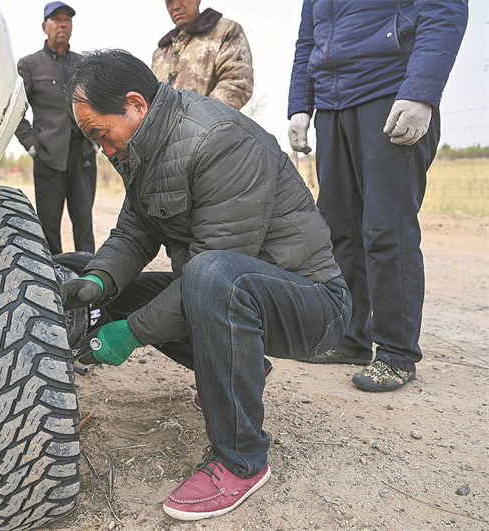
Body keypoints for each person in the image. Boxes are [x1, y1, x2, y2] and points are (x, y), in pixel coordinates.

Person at [61, 49, 351, 522]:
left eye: (100, 134)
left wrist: (129, 335)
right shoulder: (140, 149)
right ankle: (244, 369)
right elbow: (134, 234)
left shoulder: (220, 140)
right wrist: (97, 281)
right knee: (127, 293)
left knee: (208, 277)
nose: (104, 149)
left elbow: (214, 268)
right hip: (241, 291)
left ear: (135, 104)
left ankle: (242, 461)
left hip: (311, 303)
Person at [287, 1, 468, 392]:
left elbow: (444, 9)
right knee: (338, 230)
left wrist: (421, 92)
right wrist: (300, 104)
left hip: (390, 92)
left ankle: (396, 353)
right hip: (333, 104)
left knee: (385, 228)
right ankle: (349, 339)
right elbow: (308, 38)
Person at [14, 1, 97, 255]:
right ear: (44, 26)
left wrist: (95, 140)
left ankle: (91, 278)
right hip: (48, 157)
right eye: (56, 19)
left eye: (68, 19)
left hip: (82, 156)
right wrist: (31, 145)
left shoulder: (84, 64)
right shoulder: (29, 65)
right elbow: (14, 111)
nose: (63, 24)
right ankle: (53, 280)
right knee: (48, 226)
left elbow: (98, 104)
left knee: (84, 223)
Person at [151, 0, 253, 110]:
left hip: (209, 125)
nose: (175, 6)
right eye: (169, 1)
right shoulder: (160, 53)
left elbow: (236, 83)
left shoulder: (225, 31)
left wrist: (195, 120)